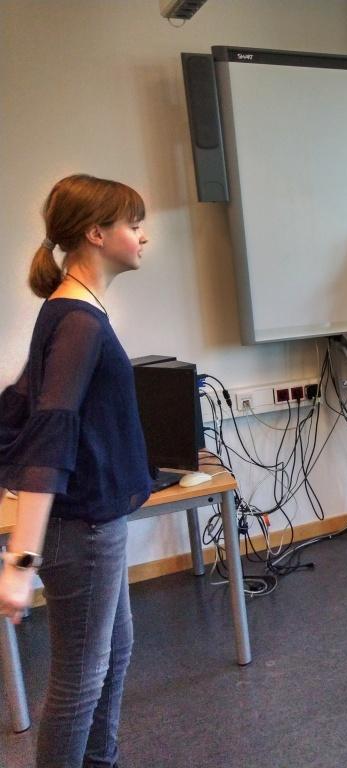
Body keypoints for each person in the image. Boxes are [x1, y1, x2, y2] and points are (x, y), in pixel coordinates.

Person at [0, 174, 152, 767]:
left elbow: (22, 402)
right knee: (81, 679)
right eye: (133, 225)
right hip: (83, 529)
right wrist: (21, 561)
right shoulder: (78, 320)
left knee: (113, 654)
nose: (143, 236)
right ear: (96, 233)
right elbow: (51, 432)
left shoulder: (69, 309)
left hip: (93, 522)